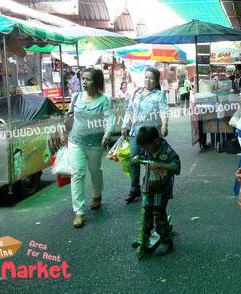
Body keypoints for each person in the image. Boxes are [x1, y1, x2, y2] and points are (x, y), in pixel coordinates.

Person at [67, 68, 114, 228]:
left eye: (88, 79)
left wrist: (108, 132)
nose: (84, 82)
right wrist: (62, 131)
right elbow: (70, 116)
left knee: (95, 171)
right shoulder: (76, 97)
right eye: (83, 79)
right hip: (75, 141)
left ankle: (97, 195)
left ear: (97, 81)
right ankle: (79, 212)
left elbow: (109, 117)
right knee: (77, 174)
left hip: (95, 143)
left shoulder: (104, 100)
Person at [120, 67, 169, 204]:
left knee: (151, 162)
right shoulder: (136, 93)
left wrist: (165, 125)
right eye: (146, 77)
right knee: (133, 159)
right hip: (136, 133)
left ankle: (152, 187)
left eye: (151, 78)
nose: (148, 80)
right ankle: (134, 189)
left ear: (156, 80)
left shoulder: (159, 95)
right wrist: (125, 125)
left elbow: (164, 111)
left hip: (152, 135)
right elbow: (129, 110)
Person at [130, 126, 180, 256]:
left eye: (147, 147)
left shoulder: (167, 151)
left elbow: (176, 166)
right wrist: (136, 157)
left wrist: (161, 165)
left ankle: (166, 241)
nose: (145, 150)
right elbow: (140, 154)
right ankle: (144, 235)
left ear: (156, 141)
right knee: (146, 210)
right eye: (143, 148)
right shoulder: (147, 148)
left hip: (162, 188)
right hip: (149, 184)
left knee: (158, 213)